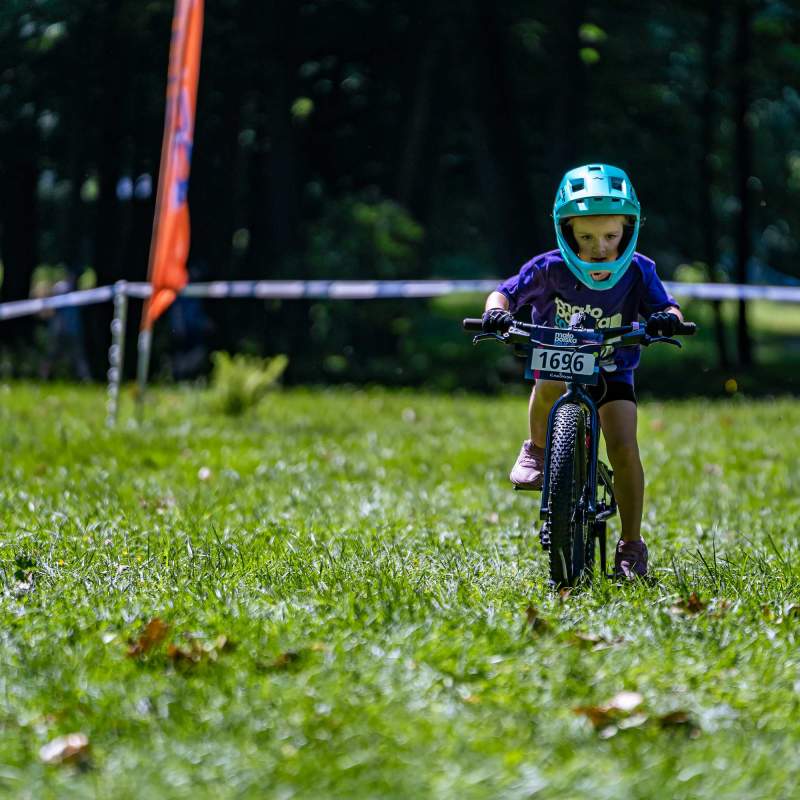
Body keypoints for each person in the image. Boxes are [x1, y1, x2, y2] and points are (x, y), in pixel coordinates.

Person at [482, 163, 684, 580]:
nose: (600, 247)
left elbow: (667, 305)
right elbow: (504, 293)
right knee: (549, 383)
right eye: (586, 237)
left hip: (614, 369)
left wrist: (667, 318)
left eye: (611, 236)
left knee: (624, 444)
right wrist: (496, 314)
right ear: (566, 229)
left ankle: (631, 543)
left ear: (627, 230)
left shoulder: (638, 271)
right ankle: (537, 448)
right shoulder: (548, 268)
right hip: (559, 362)